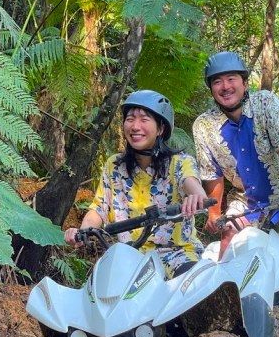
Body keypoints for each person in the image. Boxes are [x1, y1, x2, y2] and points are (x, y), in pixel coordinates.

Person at [64, 90, 208, 277]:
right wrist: (82, 232)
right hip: (129, 259)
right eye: (130, 119)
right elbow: (99, 208)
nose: (135, 126)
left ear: (161, 129)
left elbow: (192, 184)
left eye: (144, 119)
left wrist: (196, 197)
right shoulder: (114, 166)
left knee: (193, 290)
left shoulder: (180, 162)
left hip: (177, 254)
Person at [192, 52, 279, 255]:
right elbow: (212, 174)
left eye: (231, 79)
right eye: (217, 82)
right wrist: (214, 213)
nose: (225, 87)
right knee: (228, 247)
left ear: (244, 82)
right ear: (211, 89)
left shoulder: (265, 103)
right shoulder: (203, 125)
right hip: (246, 198)